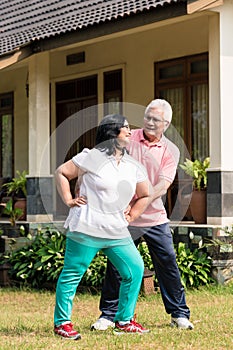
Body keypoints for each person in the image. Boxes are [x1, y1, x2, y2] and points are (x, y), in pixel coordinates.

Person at [91, 99, 194, 331]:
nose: (148, 122)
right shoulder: (127, 137)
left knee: (167, 264)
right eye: (147, 116)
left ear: (166, 124)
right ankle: (108, 315)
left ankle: (179, 314)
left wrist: (139, 201)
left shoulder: (171, 150)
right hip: (125, 217)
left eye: (155, 119)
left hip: (154, 217)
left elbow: (163, 185)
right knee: (117, 266)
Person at [53, 114, 151, 340]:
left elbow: (145, 194)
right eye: (125, 127)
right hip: (87, 227)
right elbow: (62, 173)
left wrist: (132, 214)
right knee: (72, 274)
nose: (129, 131)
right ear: (111, 132)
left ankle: (124, 321)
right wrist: (68, 200)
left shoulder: (131, 164)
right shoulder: (91, 157)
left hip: (115, 229)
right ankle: (62, 323)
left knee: (134, 270)